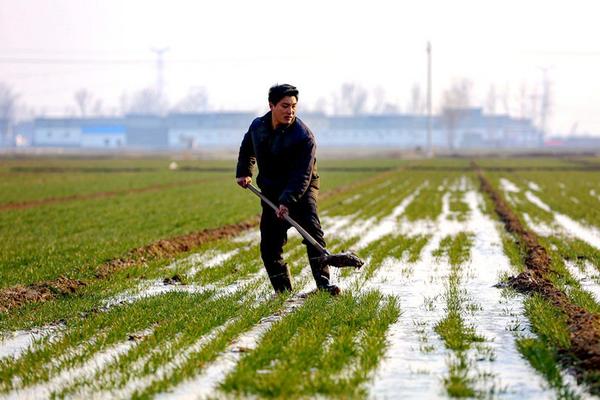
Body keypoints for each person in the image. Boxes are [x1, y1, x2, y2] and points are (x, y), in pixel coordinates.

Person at [236, 84, 340, 296]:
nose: (290, 111)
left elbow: (302, 175)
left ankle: (324, 285)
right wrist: (244, 171)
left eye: (293, 106)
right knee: (269, 246)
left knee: (313, 235)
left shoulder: (304, 137)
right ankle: (283, 291)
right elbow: (247, 149)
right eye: (285, 106)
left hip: (302, 190)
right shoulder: (257, 127)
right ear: (271, 105)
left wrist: (287, 202)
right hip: (272, 190)